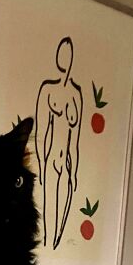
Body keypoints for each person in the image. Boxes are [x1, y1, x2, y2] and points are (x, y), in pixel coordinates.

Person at [35, 37, 83, 249]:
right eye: (62, 53)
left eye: (68, 53)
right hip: (52, 159)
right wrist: (42, 165)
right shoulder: (48, 90)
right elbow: (42, 133)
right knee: (48, 215)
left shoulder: (76, 96)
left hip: (66, 164)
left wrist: (73, 173)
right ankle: (48, 242)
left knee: (62, 214)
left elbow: (75, 142)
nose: (65, 58)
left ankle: (54, 245)